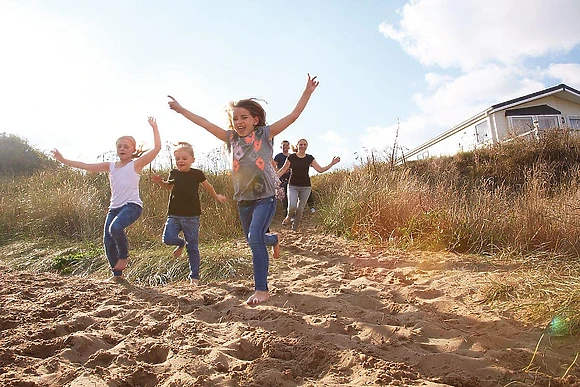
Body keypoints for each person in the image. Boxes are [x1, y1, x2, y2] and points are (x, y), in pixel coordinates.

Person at [167, 73, 319, 305]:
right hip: (243, 200)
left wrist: (307, 91)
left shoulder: (265, 135)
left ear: (255, 120)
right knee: (254, 239)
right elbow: (205, 123)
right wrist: (181, 109)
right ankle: (274, 239)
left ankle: (261, 290)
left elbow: (293, 115)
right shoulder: (231, 139)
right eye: (235, 118)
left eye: (244, 117)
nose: (239, 121)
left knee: (254, 239)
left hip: (265, 198)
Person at [51, 117, 162, 281]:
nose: (122, 149)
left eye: (126, 146)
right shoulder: (110, 166)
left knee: (115, 228)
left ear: (133, 149)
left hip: (132, 206)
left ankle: (124, 256)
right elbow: (86, 166)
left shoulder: (136, 164)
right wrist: (63, 160)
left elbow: (157, 148)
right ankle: (117, 275)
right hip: (114, 208)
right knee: (108, 241)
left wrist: (154, 127)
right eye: (119, 146)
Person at [152, 142, 227, 286]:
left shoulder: (197, 174)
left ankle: (194, 277)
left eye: (184, 158)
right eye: (178, 158)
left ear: (192, 159)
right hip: (174, 214)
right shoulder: (174, 173)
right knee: (167, 239)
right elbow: (169, 187)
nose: (181, 161)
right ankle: (180, 243)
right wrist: (160, 182)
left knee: (192, 247)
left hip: (192, 216)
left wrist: (217, 196)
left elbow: (207, 186)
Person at [277, 139, 340, 231]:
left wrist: (332, 163)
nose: (303, 146)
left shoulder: (309, 158)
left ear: (307, 146)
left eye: (304, 144)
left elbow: (320, 170)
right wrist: (273, 179)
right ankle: (288, 217)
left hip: (306, 187)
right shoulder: (292, 157)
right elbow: (283, 170)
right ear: (297, 146)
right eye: (301, 144)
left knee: (300, 209)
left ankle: (295, 228)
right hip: (292, 186)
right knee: (292, 206)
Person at [273, 140, 291, 216]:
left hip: (291, 178)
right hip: (281, 179)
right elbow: (274, 166)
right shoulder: (278, 156)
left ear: (289, 146)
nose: (285, 146)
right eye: (283, 145)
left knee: (291, 196)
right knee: (283, 196)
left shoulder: (291, 156)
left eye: (286, 145)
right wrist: (280, 172)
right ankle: (285, 212)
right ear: (281, 147)